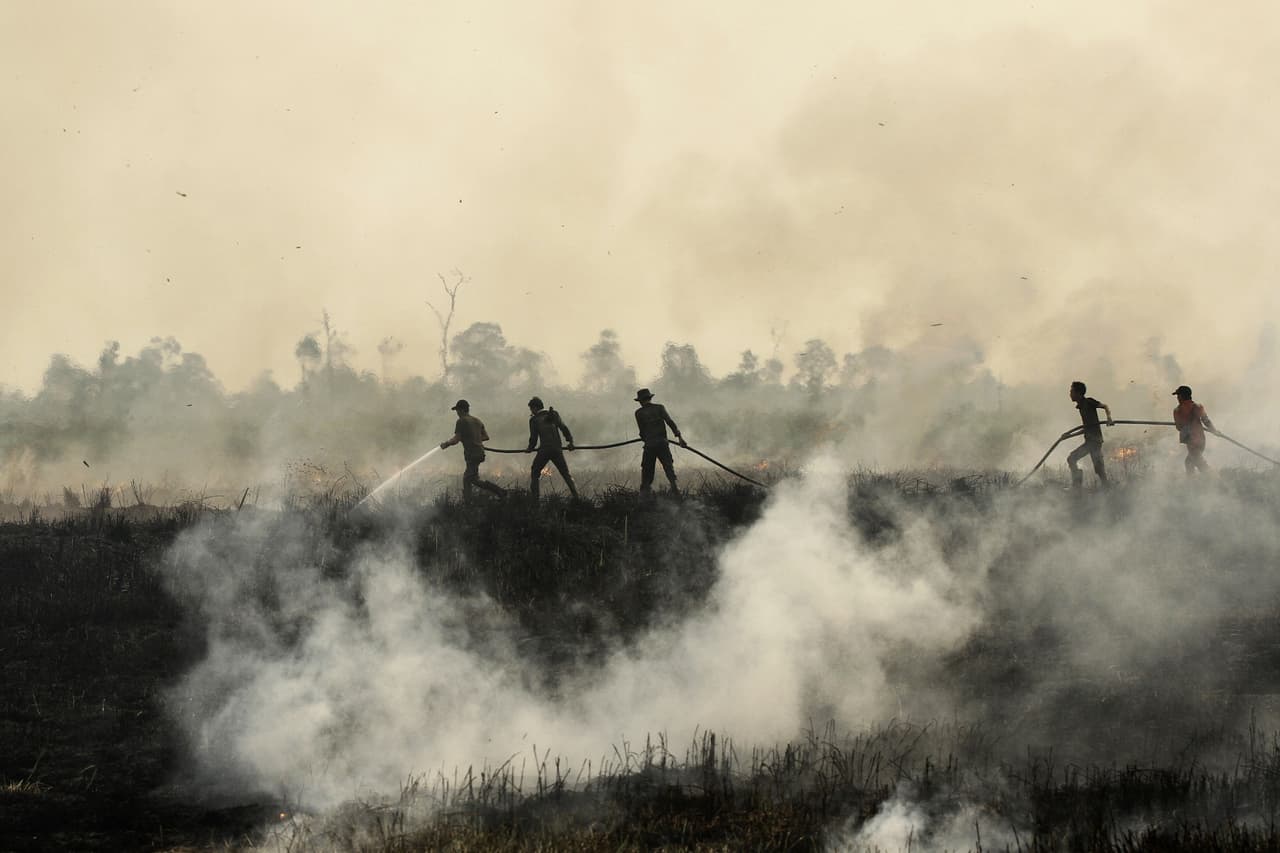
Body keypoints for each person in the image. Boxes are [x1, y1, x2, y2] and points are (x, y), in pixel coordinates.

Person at [439, 399, 505, 500]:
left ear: (462, 410)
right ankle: (469, 502)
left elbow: (456, 439)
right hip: (480, 453)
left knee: (469, 479)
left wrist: (446, 444)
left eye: (457, 410)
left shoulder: (461, 421)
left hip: (472, 454)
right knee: (470, 478)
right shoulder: (477, 420)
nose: (457, 413)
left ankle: (497, 491)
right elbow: (486, 437)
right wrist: (474, 439)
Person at [633, 388, 685, 495]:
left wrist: (644, 438)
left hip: (650, 445)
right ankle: (675, 489)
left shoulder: (639, 413)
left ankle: (645, 494)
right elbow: (670, 422)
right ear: (650, 398)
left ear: (641, 401)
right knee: (668, 466)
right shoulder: (660, 408)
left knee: (647, 470)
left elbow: (642, 431)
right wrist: (679, 437)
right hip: (662, 443)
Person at [526, 396, 579, 500]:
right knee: (566, 474)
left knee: (535, 472)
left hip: (544, 450)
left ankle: (535, 501)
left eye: (531, 409)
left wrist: (530, 448)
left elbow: (533, 438)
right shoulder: (553, 414)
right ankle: (577, 497)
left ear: (535, 408)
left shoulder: (534, 419)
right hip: (557, 450)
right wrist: (570, 442)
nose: (531, 411)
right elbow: (564, 428)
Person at [1065, 380, 1114, 489]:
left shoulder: (1089, 402)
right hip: (1091, 440)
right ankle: (1107, 488)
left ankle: (1077, 485)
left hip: (1094, 441)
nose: (1070, 394)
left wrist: (1109, 418)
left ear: (1078, 393)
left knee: (1072, 458)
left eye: (1072, 391)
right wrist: (1068, 434)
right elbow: (1086, 428)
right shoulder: (1081, 406)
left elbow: (1105, 406)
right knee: (1099, 469)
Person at [1172, 385, 1216, 475]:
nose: (1177, 398)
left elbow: (1179, 427)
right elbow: (1206, 421)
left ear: (1181, 396)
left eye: (1178, 395)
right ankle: (1192, 483)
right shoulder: (1198, 406)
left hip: (1191, 442)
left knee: (1200, 464)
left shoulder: (1177, 411)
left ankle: (1216, 480)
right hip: (1201, 440)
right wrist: (1214, 431)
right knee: (1189, 462)